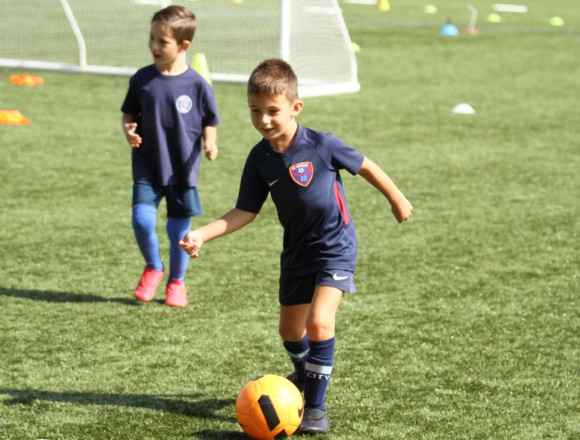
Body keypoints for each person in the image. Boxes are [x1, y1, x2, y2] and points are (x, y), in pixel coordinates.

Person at [179, 59, 412, 434]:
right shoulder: (260, 158)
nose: (264, 120)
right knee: (290, 331)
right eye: (255, 112)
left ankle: (316, 410)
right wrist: (202, 234)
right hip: (297, 251)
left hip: (336, 245)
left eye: (273, 111)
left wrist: (396, 198)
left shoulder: (321, 144)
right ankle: (306, 376)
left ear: (295, 108)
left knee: (319, 322)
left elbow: (366, 165)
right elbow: (244, 210)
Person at [121, 5, 219, 308]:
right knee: (140, 219)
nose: (154, 46)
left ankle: (176, 282)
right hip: (148, 166)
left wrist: (210, 144)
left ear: (183, 46)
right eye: (152, 38)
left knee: (179, 231)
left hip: (182, 170)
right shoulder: (142, 79)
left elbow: (209, 120)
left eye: (162, 42)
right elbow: (129, 112)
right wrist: (128, 131)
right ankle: (154, 266)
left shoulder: (197, 85)